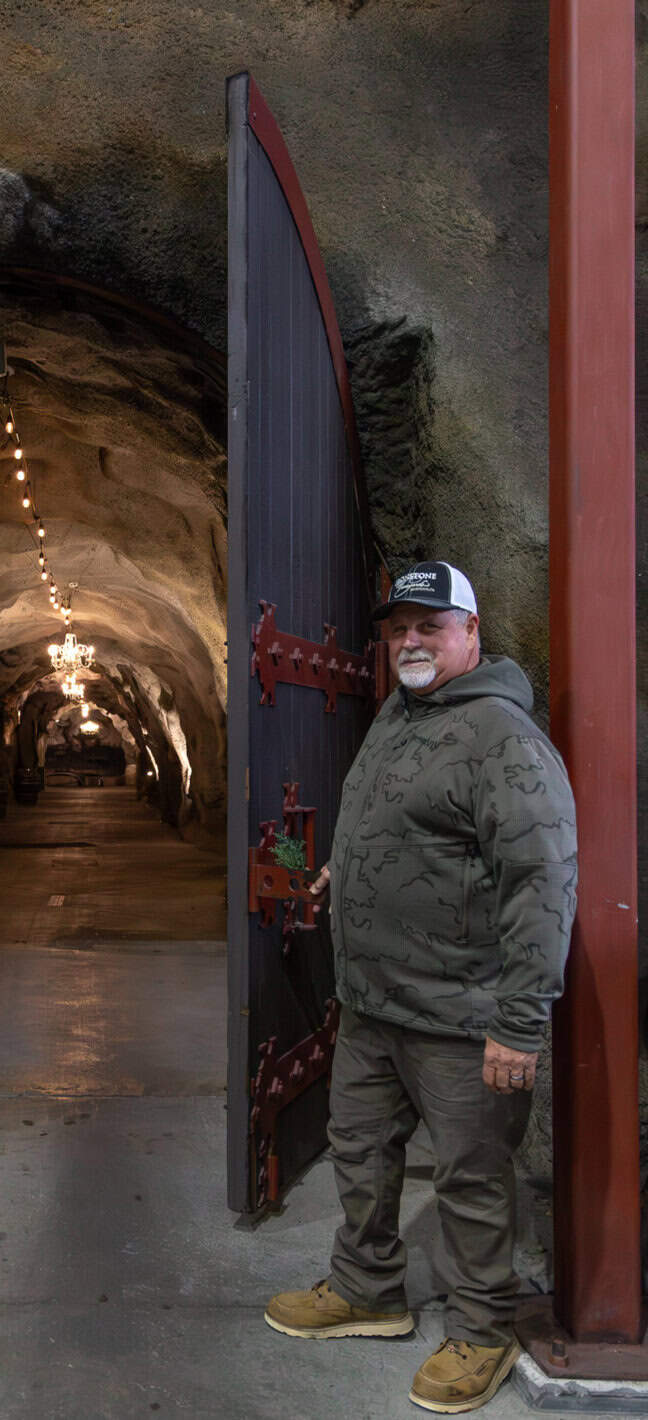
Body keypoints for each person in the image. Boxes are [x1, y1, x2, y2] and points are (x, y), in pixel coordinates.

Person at [265, 561, 577, 1415]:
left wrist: (520, 1025)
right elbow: (415, 835)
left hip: (460, 1014)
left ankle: (482, 1328)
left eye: (429, 625)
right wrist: (346, 871)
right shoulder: (401, 716)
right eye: (397, 626)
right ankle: (368, 1289)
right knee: (361, 1154)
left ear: (471, 634)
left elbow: (542, 883)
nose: (409, 639)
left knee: (472, 1182)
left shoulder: (500, 738)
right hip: (374, 1008)